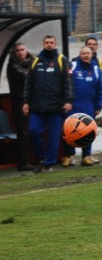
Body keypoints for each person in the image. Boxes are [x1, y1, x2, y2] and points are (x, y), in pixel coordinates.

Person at [22, 35, 72, 172]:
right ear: (43, 44)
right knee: (33, 130)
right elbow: (28, 83)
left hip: (56, 106)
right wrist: (26, 101)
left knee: (53, 136)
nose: (49, 45)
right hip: (37, 106)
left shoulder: (62, 60)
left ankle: (49, 163)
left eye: (51, 43)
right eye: (46, 43)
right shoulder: (36, 61)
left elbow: (68, 82)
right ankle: (42, 157)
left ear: (55, 44)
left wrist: (68, 101)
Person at [62, 46, 102, 167]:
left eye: (88, 53)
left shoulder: (96, 69)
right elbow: (66, 83)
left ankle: (86, 156)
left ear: (91, 55)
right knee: (69, 130)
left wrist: (98, 106)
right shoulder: (73, 66)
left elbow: (101, 89)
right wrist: (67, 101)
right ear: (80, 54)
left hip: (88, 105)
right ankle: (69, 156)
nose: (86, 55)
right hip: (74, 105)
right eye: (83, 53)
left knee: (88, 131)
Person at [5, 41, 34, 170]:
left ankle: (36, 158)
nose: (21, 52)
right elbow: (26, 76)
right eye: (18, 50)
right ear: (14, 52)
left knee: (33, 131)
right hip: (20, 104)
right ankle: (23, 162)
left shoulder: (32, 63)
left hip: (32, 102)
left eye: (23, 49)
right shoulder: (12, 66)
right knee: (23, 133)